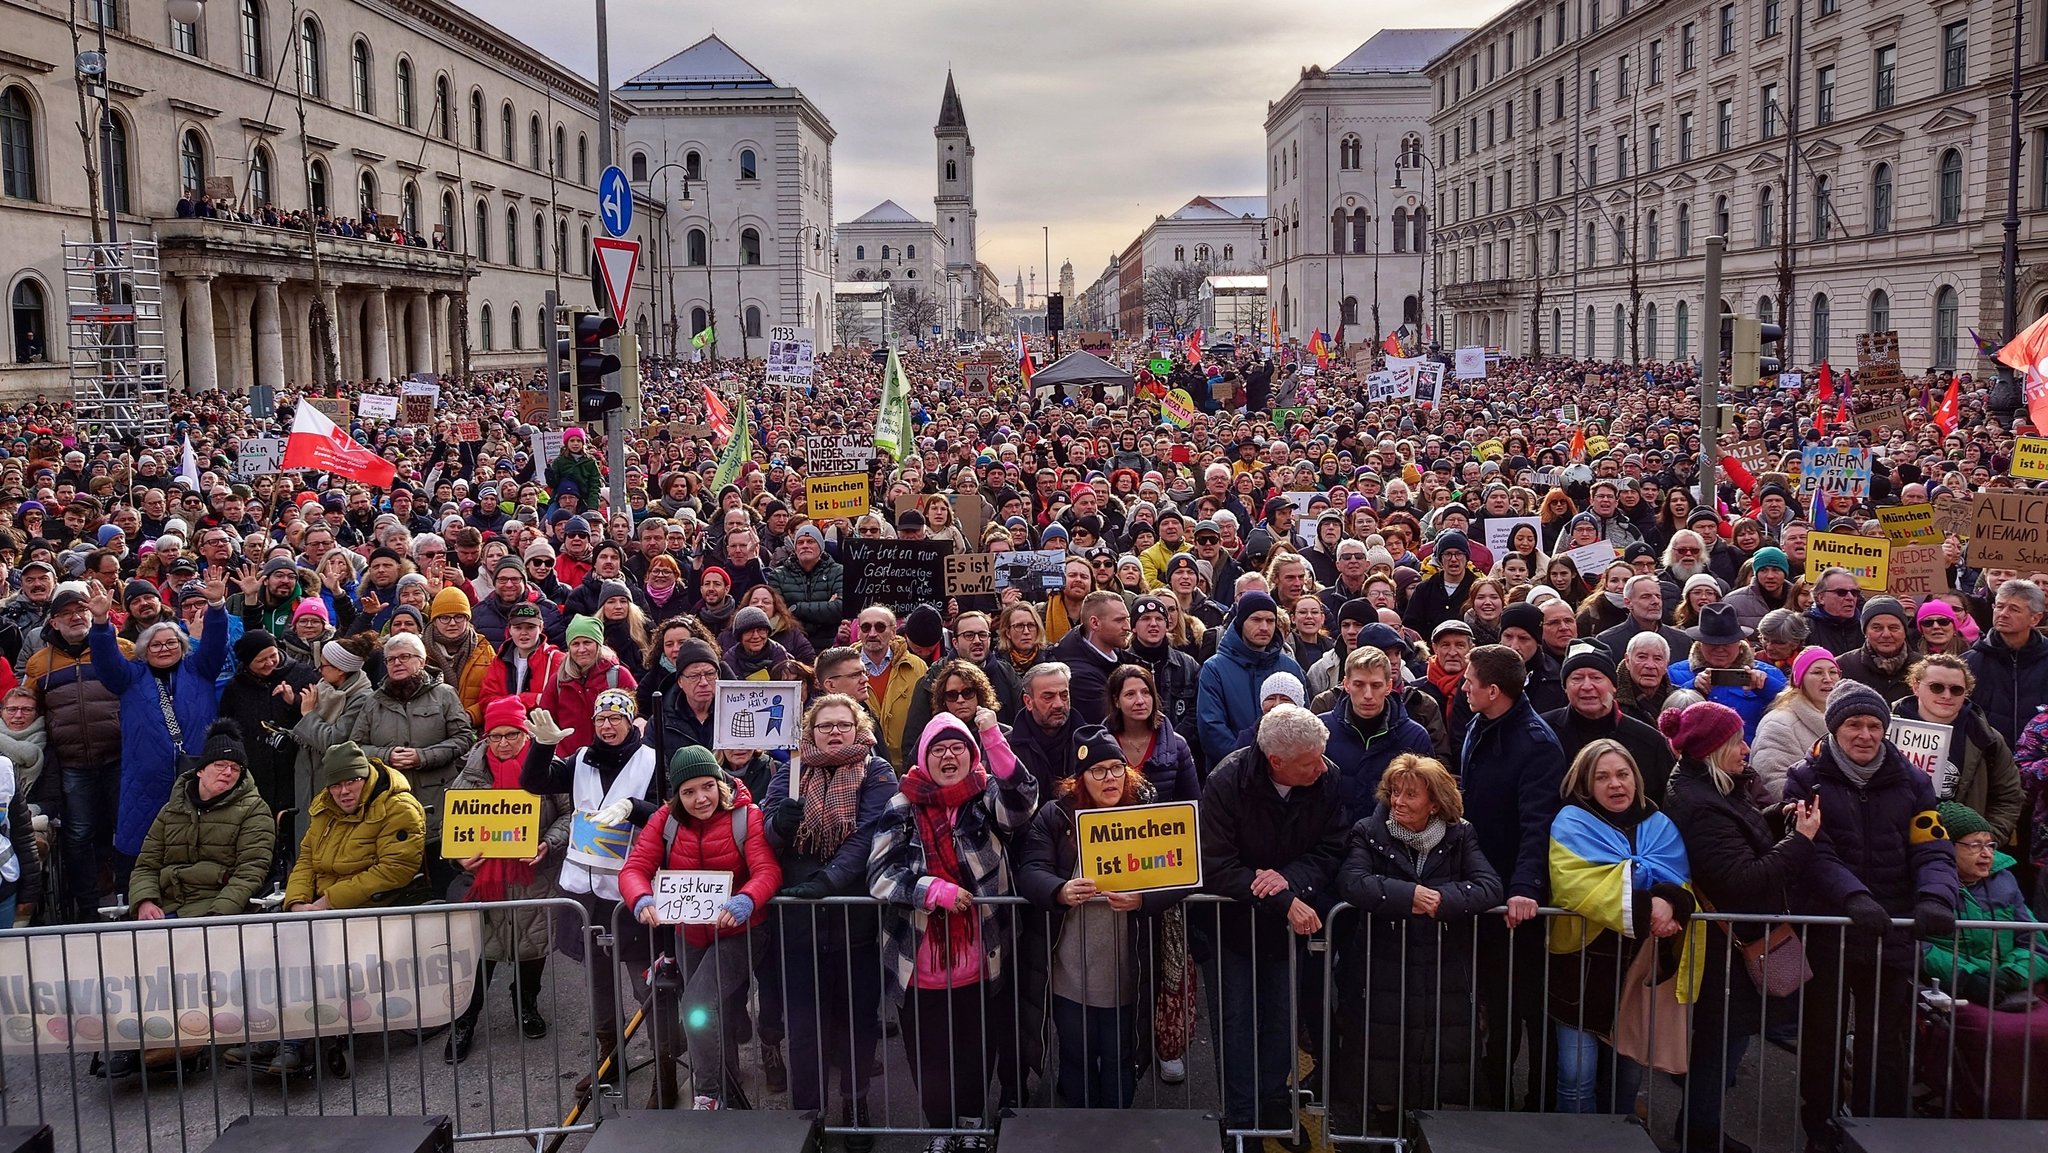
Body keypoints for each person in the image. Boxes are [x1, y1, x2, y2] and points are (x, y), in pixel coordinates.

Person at [1784, 681, 1959, 1148]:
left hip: (1892, 934)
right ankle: (1818, 1130)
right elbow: (1814, 853)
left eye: (1874, 725)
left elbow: (1934, 847)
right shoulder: (1805, 779)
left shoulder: (1915, 783)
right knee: (1821, 1040)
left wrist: (1937, 897)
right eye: (1854, 725)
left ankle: (1877, 1133)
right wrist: (1853, 898)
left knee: (1885, 1044)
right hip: (1831, 931)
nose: (1865, 734)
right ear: (1835, 728)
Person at [1661, 700, 1820, 1152]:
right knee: (1720, 1046)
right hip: (1724, 950)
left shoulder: (1714, 787)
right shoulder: (1700, 804)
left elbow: (1740, 835)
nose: (1746, 748)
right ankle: (1699, 1135)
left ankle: (1697, 1128)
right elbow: (1741, 881)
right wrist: (1800, 842)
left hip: (1728, 945)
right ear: (1712, 748)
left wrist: (1778, 816)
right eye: (1736, 742)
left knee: (1724, 1043)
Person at [869, 710, 1037, 1136]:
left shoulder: (984, 797)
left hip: (981, 962)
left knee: (977, 1052)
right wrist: (932, 891)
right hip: (917, 962)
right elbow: (880, 874)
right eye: (938, 749)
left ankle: (972, 1126)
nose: (949, 756)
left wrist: (992, 738)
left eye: (957, 747)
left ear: (971, 753)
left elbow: (1021, 803)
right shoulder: (901, 805)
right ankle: (940, 1130)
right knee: (927, 1057)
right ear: (924, 757)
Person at [1329, 753, 1502, 1133]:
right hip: (1383, 966)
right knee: (1384, 1061)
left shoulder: (1461, 835)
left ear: (1435, 803)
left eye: (1410, 795)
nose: (1399, 802)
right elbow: (1353, 881)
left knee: (1434, 1056)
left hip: (1442, 969)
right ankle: (1385, 1130)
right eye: (1395, 792)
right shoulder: (1368, 831)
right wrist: (1409, 895)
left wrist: (1443, 900)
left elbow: (1489, 886)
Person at [1016, 724, 1183, 1107]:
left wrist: (1143, 900)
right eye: (1098, 771)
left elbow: (1182, 873)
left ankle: (1117, 1130)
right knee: (1075, 1058)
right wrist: (1058, 890)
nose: (1109, 779)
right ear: (1080, 779)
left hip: (1128, 971)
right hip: (1070, 972)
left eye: (1116, 768)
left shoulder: (1145, 814)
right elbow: (1031, 870)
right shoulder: (1055, 817)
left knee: (1120, 1059)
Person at [1199, 704, 1347, 1135]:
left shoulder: (1327, 777)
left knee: (1283, 1018)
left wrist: (1289, 882)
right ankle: (1242, 1118)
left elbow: (1332, 848)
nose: (1321, 767)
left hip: (1287, 926)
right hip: (1233, 927)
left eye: (1321, 756)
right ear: (1276, 761)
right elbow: (1216, 864)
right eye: (1309, 761)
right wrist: (1282, 898)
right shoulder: (1228, 781)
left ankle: (1274, 1103)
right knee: (1237, 1024)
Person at [761, 694, 899, 1141]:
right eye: (825, 726)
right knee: (804, 1031)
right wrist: (780, 824)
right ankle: (808, 1120)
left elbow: (870, 834)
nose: (834, 732)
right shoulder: (791, 771)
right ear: (811, 731)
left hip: (854, 923)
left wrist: (831, 880)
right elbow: (766, 834)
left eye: (843, 724)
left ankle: (855, 1104)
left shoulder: (877, 771)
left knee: (856, 1026)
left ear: (858, 728)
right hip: (799, 928)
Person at [620, 746, 782, 1109]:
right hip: (689, 934)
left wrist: (746, 900)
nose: (700, 798)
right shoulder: (666, 820)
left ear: (720, 783)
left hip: (740, 932)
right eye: (688, 792)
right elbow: (633, 869)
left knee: (696, 1005)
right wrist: (641, 899)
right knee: (710, 1012)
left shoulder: (746, 816)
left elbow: (767, 871)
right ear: (676, 795)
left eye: (707, 787)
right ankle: (727, 1083)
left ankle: (707, 1093)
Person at [520, 688, 665, 1089]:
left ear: (629, 721)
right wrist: (543, 745)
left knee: (646, 984)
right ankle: (609, 1058)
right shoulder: (580, 757)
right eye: (602, 719)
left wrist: (636, 808)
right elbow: (533, 782)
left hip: (630, 893)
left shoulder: (653, 760)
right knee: (598, 980)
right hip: (583, 892)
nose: (608, 725)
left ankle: (665, 1066)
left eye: (616, 718)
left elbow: (673, 815)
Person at [1545, 738, 1696, 1114]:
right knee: (1575, 1075)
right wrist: (1652, 906)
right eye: (1603, 777)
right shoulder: (1570, 822)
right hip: (1581, 972)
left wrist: (1671, 901)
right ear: (1586, 784)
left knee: (1627, 1079)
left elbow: (1681, 880)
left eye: (1623, 774)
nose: (1616, 784)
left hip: (1636, 969)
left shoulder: (1658, 823)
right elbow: (1575, 886)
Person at [270, 741, 427, 1074]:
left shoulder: (399, 807)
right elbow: (307, 860)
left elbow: (394, 870)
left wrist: (327, 903)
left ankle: (295, 1041)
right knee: (268, 942)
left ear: (365, 776)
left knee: (305, 950)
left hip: (369, 904)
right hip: (319, 905)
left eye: (350, 782)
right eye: (336, 784)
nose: (343, 791)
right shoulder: (324, 807)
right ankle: (274, 1030)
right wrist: (297, 902)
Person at [1459, 643, 1566, 1110]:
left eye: (1470, 682)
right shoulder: (1478, 726)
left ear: (1494, 691)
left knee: (1526, 1009)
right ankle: (1493, 1094)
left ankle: (1533, 1103)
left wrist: (1524, 889)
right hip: (1483, 888)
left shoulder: (1535, 744)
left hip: (1514, 905)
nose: (1464, 688)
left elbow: (1536, 825)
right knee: (1494, 1007)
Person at [445, 697, 568, 1064]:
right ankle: (466, 1019)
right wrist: (458, 857)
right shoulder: (468, 777)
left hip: (535, 875)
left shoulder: (550, 768)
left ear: (525, 733)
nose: (502, 743)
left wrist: (549, 843)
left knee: (533, 948)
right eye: (494, 736)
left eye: (511, 735)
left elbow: (571, 813)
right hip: (486, 882)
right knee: (483, 956)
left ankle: (526, 1001)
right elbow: (453, 828)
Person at [89, 574, 230, 884]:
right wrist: (100, 623)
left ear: (182, 646)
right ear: (143, 650)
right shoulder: (130, 677)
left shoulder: (200, 669)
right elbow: (106, 662)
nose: (164, 649)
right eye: (155, 645)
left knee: (202, 849)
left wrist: (217, 606)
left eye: (171, 643)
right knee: (143, 852)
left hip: (197, 776)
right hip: (145, 781)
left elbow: (216, 643)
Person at [352, 632, 475, 891]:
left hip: (440, 806)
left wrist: (424, 757)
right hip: (391, 808)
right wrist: (386, 756)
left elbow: (465, 738)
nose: (397, 663)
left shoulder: (444, 695)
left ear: (421, 660)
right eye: (390, 659)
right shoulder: (373, 702)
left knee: (444, 884)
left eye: (405, 657)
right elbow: (357, 748)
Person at [127, 720, 274, 919]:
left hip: (216, 909)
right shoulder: (171, 810)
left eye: (236, 768)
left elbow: (250, 872)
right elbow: (146, 866)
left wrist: (218, 914)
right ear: (200, 770)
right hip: (167, 907)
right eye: (220, 765)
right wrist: (144, 901)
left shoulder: (254, 810)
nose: (228, 772)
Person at [1893, 655, 2025, 845]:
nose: (1947, 695)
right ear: (1915, 687)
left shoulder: (1987, 739)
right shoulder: (1883, 727)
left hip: (1961, 851)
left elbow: (2009, 796)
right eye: (1936, 687)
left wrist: (1985, 840)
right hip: (1893, 844)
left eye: (1956, 690)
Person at [1543, 641, 1676, 805]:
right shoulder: (1544, 733)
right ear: (1565, 687)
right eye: (1577, 678)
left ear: (1614, 686)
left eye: (1596, 678)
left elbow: (1665, 802)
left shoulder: (1649, 741)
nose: (1586, 686)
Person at [1321, 647, 1434, 825]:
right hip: (1333, 844)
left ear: (1388, 686)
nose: (1368, 695)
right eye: (1359, 684)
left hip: (1393, 844)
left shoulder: (1415, 736)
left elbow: (1426, 800)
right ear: (1346, 685)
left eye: (1376, 685)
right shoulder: (1322, 730)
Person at [1196, 591, 1305, 760]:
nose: (1264, 627)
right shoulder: (1215, 668)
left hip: (1285, 771)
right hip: (1233, 775)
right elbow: (1211, 728)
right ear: (1241, 622)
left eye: (1270, 621)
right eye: (1256, 619)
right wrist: (1242, 764)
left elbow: (1304, 718)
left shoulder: (1290, 666)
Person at [1670, 603, 1784, 740]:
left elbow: (1793, 709)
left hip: (1748, 758)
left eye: (1727, 643)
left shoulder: (1768, 674)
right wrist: (1692, 689)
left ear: (1739, 642)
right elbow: (1666, 718)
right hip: (1695, 760)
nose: (1719, 649)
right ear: (1700, 643)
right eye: (1712, 643)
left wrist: (1768, 686)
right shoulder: (1676, 673)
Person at [1965, 578, 2048, 750]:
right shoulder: (1969, 662)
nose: (2003, 613)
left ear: (2035, 618)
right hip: (1988, 762)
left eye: (2014, 609)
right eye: (2000, 606)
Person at [1750, 647, 1839, 804]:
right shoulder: (1778, 724)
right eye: (1817, 673)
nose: (1827, 678)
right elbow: (1775, 787)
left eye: (1833, 672)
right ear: (1799, 680)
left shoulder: (1847, 721)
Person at [1045, 590, 1134, 725]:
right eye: (1119, 620)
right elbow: (1117, 725)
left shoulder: (1123, 658)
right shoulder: (1077, 675)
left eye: (1127, 619)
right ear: (1095, 623)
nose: (1128, 627)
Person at [1835, 596, 1917, 704]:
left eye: (1893, 628)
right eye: (1877, 628)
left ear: (1904, 631)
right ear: (1865, 632)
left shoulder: (1923, 668)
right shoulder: (1843, 666)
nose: (1886, 634)